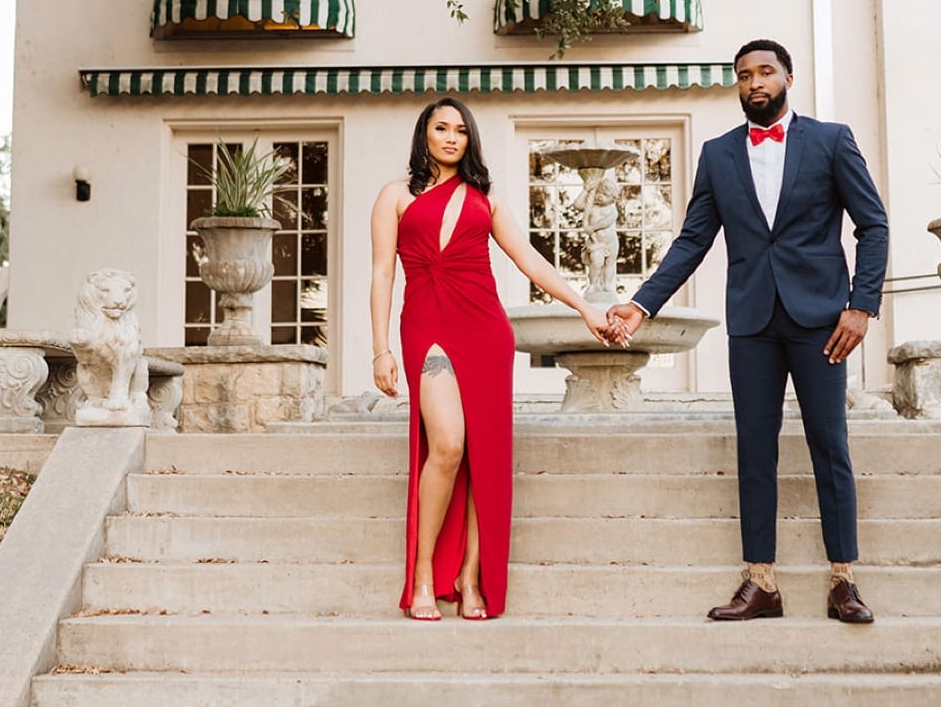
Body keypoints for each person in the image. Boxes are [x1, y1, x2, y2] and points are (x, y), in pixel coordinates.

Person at [608, 39, 889, 624]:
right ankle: (760, 582)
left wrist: (860, 307)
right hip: (753, 323)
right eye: (743, 76)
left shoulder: (832, 140)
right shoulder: (717, 154)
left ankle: (844, 582)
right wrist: (641, 306)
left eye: (765, 72)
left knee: (829, 446)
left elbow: (873, 225)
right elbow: (692, 240)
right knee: (754, 451)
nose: (754, 82)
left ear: (789, 77)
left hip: (821, 323)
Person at [371, 97, 613, 620]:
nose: (451, 137)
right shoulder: (394, 196)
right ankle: (421, 576)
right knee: (449, 444)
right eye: (441, 128)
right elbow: (382, 274)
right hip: (426, 329)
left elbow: (529, 260)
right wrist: (380, 349)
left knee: (485, 456)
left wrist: (584, 307)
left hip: (484, 330)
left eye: (460, 130)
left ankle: (470, 579)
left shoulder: (486, 200)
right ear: (425, 134)